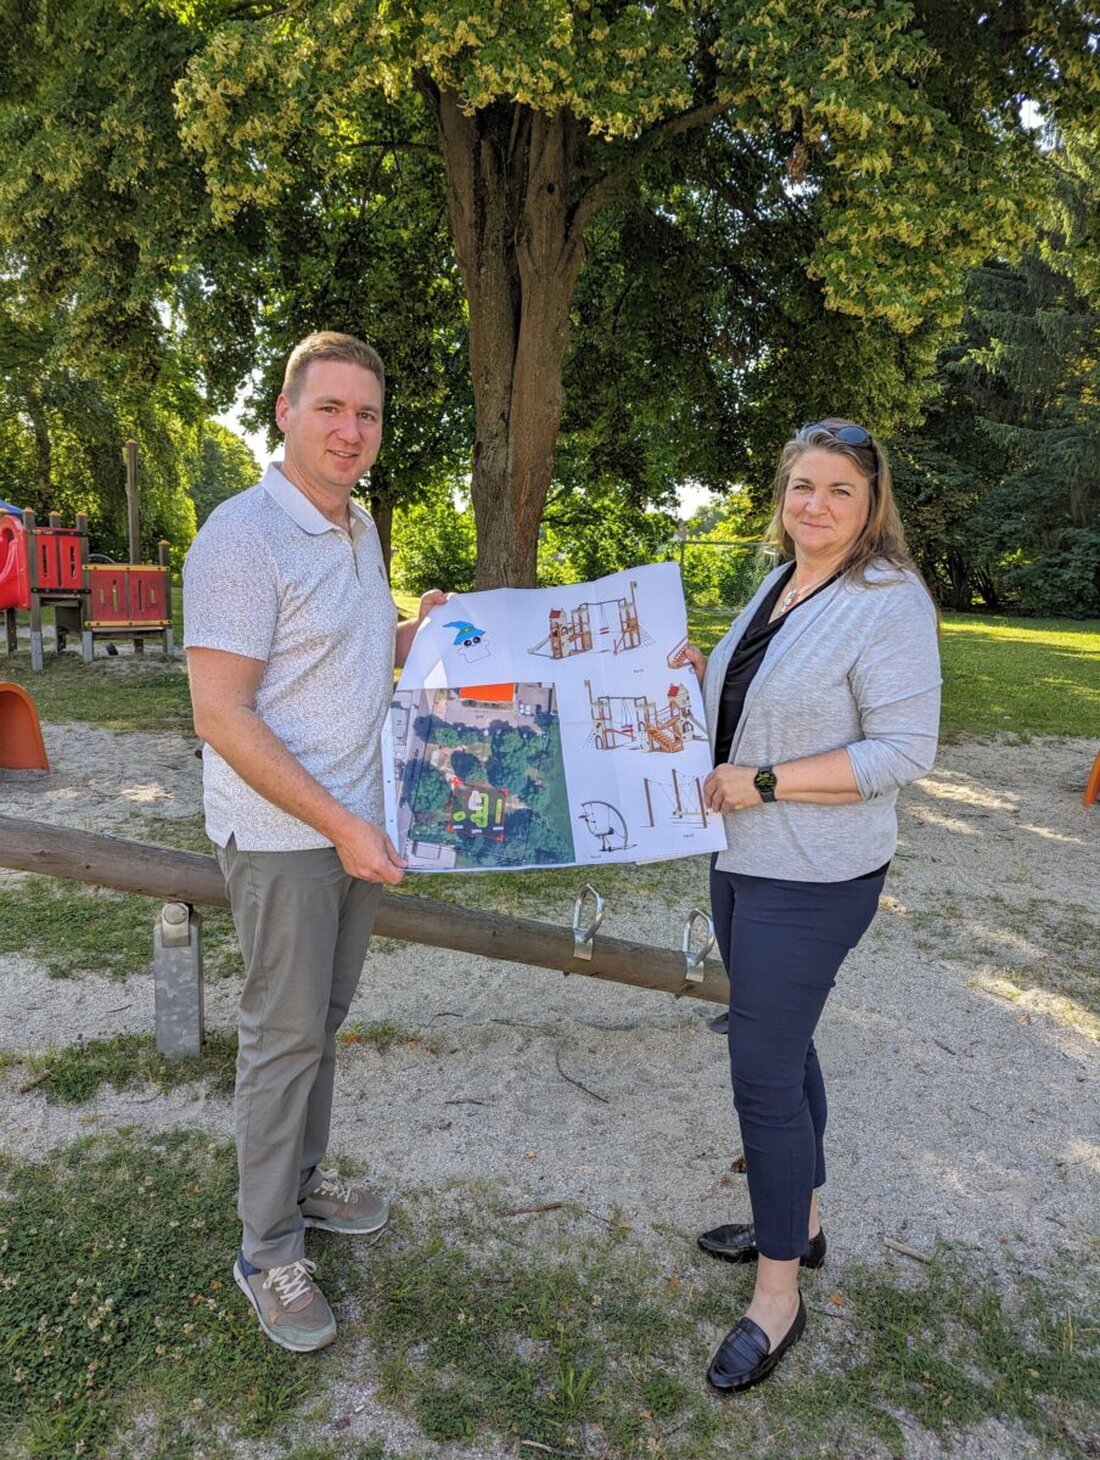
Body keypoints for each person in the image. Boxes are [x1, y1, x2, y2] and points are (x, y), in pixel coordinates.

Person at [183, 331, 445, 1353]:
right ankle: (266, 1248)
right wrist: (338, 823)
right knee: (284, 1034)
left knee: (319, 1021)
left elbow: (349, 652)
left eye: (367, 414)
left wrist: (418, 636)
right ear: (284, 412)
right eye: (329, 407)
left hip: (354, 825)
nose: (350, 429)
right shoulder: (240, 537)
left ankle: (300, 1182)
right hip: (292, 834)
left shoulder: (356, 526)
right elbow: (221, 710)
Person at [674, 419, 940, 1394]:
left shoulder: (886, 600)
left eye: (837, 489)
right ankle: (806, 1220)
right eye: (799, 486)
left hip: (814, 873)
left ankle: (776, 1295)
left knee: (759, 1072)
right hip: (740, 858)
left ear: (870, 504)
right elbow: (744, 702)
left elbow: (901, 751)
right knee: (783, 1046)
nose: (814, 505)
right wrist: (688, 672)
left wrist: (769, 780)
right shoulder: (779, 582)